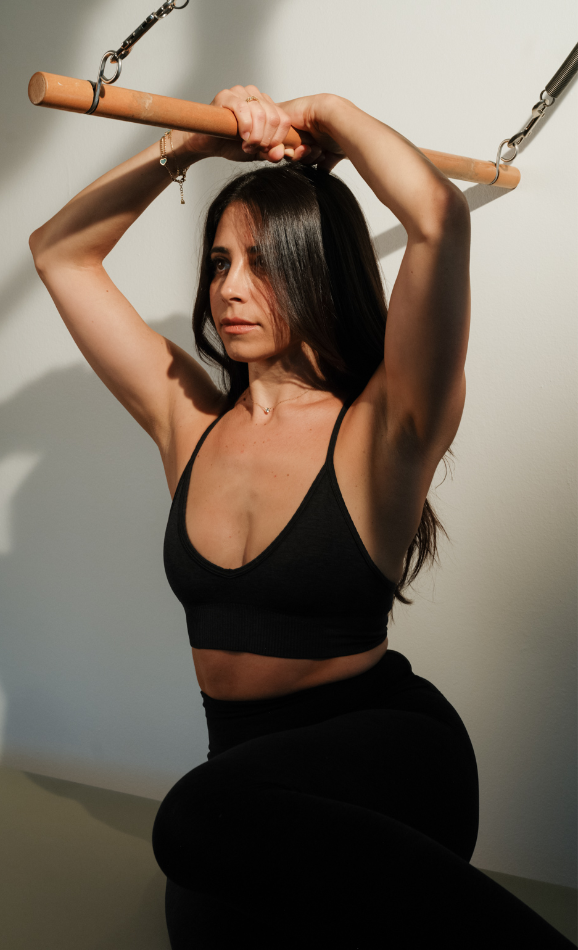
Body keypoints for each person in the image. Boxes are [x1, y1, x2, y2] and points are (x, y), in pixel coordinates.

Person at [29, 85, 575, 949]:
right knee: (204, 886)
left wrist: (326, 115)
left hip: (392, 757)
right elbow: (60, 253)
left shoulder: (386, 428)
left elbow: (437, 217)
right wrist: (193, 143)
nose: (230, 290)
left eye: (262, 262)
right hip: (243, 785)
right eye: (218, 263)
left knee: (190, 823)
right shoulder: (188, 423)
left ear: (316, 266)